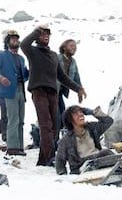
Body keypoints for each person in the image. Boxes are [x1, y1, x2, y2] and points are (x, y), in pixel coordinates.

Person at [21, 24, 86, 167]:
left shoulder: (53, 56)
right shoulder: (32, 51)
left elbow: (62, 77)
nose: (46, 36)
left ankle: (44, 160)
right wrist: (37, 30)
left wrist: (78, 88)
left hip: (52, 93)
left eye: (48, 34)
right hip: (39, 91)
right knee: (46, 125)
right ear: (38, 37)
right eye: (43, 34)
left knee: (55, 126)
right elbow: (24, 44)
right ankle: (50, 157)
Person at [0, 30, 30, 156]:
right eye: (13, 39)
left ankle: (19, 146)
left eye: (17, 39)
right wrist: (1, 78)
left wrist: (31, 72)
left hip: (20, 89)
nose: (16, 41)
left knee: (21, 119)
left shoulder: (21, 58)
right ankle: (12, 147)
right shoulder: (2, 55)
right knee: (13, 118)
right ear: (7, 42)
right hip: (9, 91)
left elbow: (24, 75)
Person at [55, 105, 114, 175]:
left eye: (81, 112)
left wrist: (92, 112)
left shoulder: (92, 128)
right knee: (105, 153)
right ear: (70, 119)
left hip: (98, 160)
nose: (80, 114)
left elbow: (108, 121)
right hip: (81, 167)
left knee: (107, 153)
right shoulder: (65, 140)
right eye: (76, 113)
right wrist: (63, 176)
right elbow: (60, 160)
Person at [56, 39, 81, 140]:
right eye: (71, 46)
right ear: (64, 47)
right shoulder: (57, 58)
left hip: (61, 92)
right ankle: (55, 140)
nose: (73, 48)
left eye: (75, 46)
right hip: (53, 90)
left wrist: (79, 90)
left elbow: (76, 77)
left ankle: (62, 139)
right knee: (56, 115)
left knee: (63, 115)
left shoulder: (73, 62)